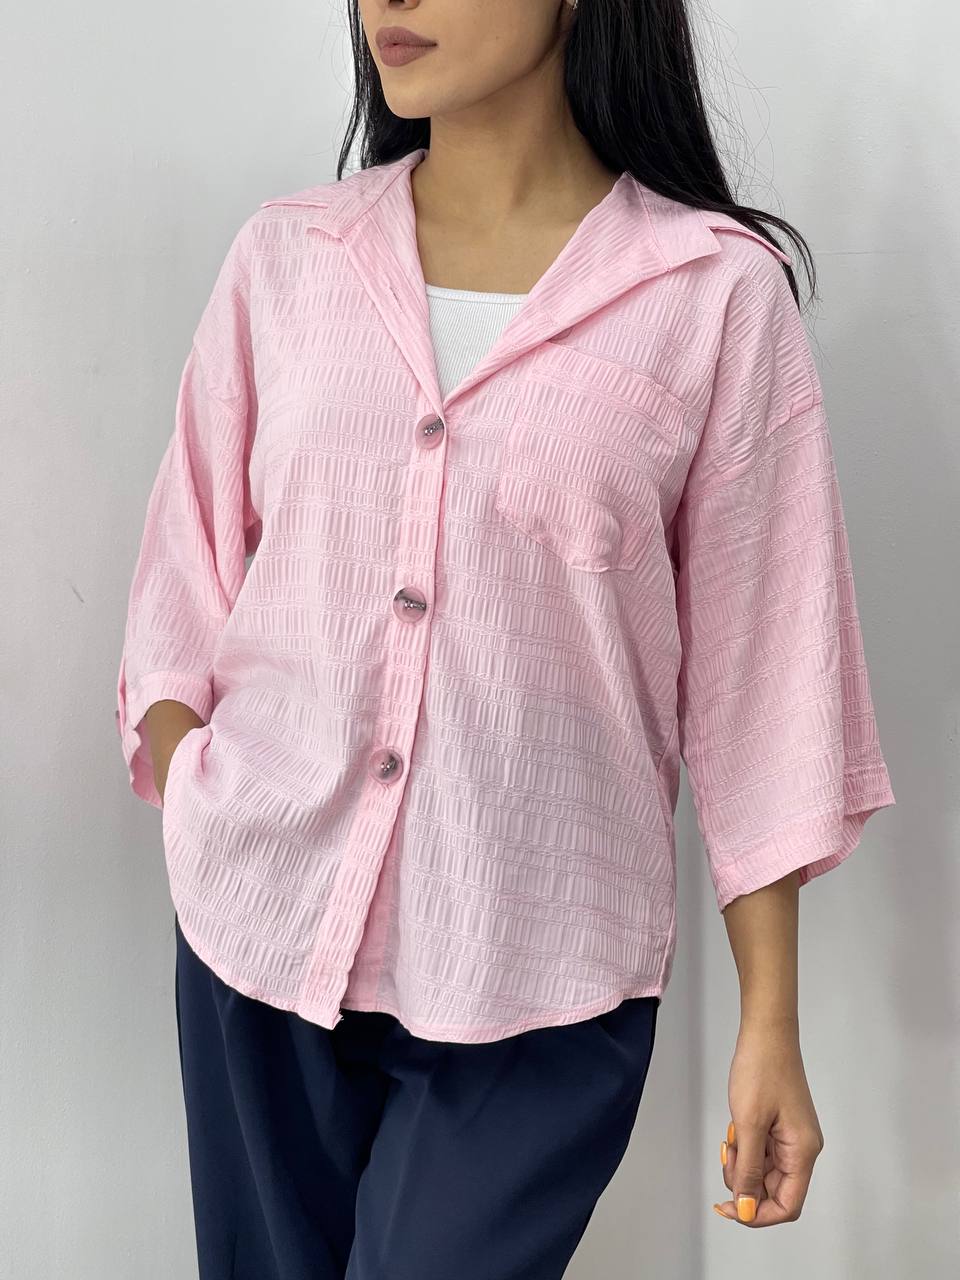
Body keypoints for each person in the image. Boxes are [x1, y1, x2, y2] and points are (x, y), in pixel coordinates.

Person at [115, 1, 897, 1275]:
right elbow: (185, 577)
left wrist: (772, 1024)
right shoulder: (289, 256)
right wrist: (197, 786)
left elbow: (769, 685)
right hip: (262, 929)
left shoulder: (709, 293)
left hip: (543, 965)